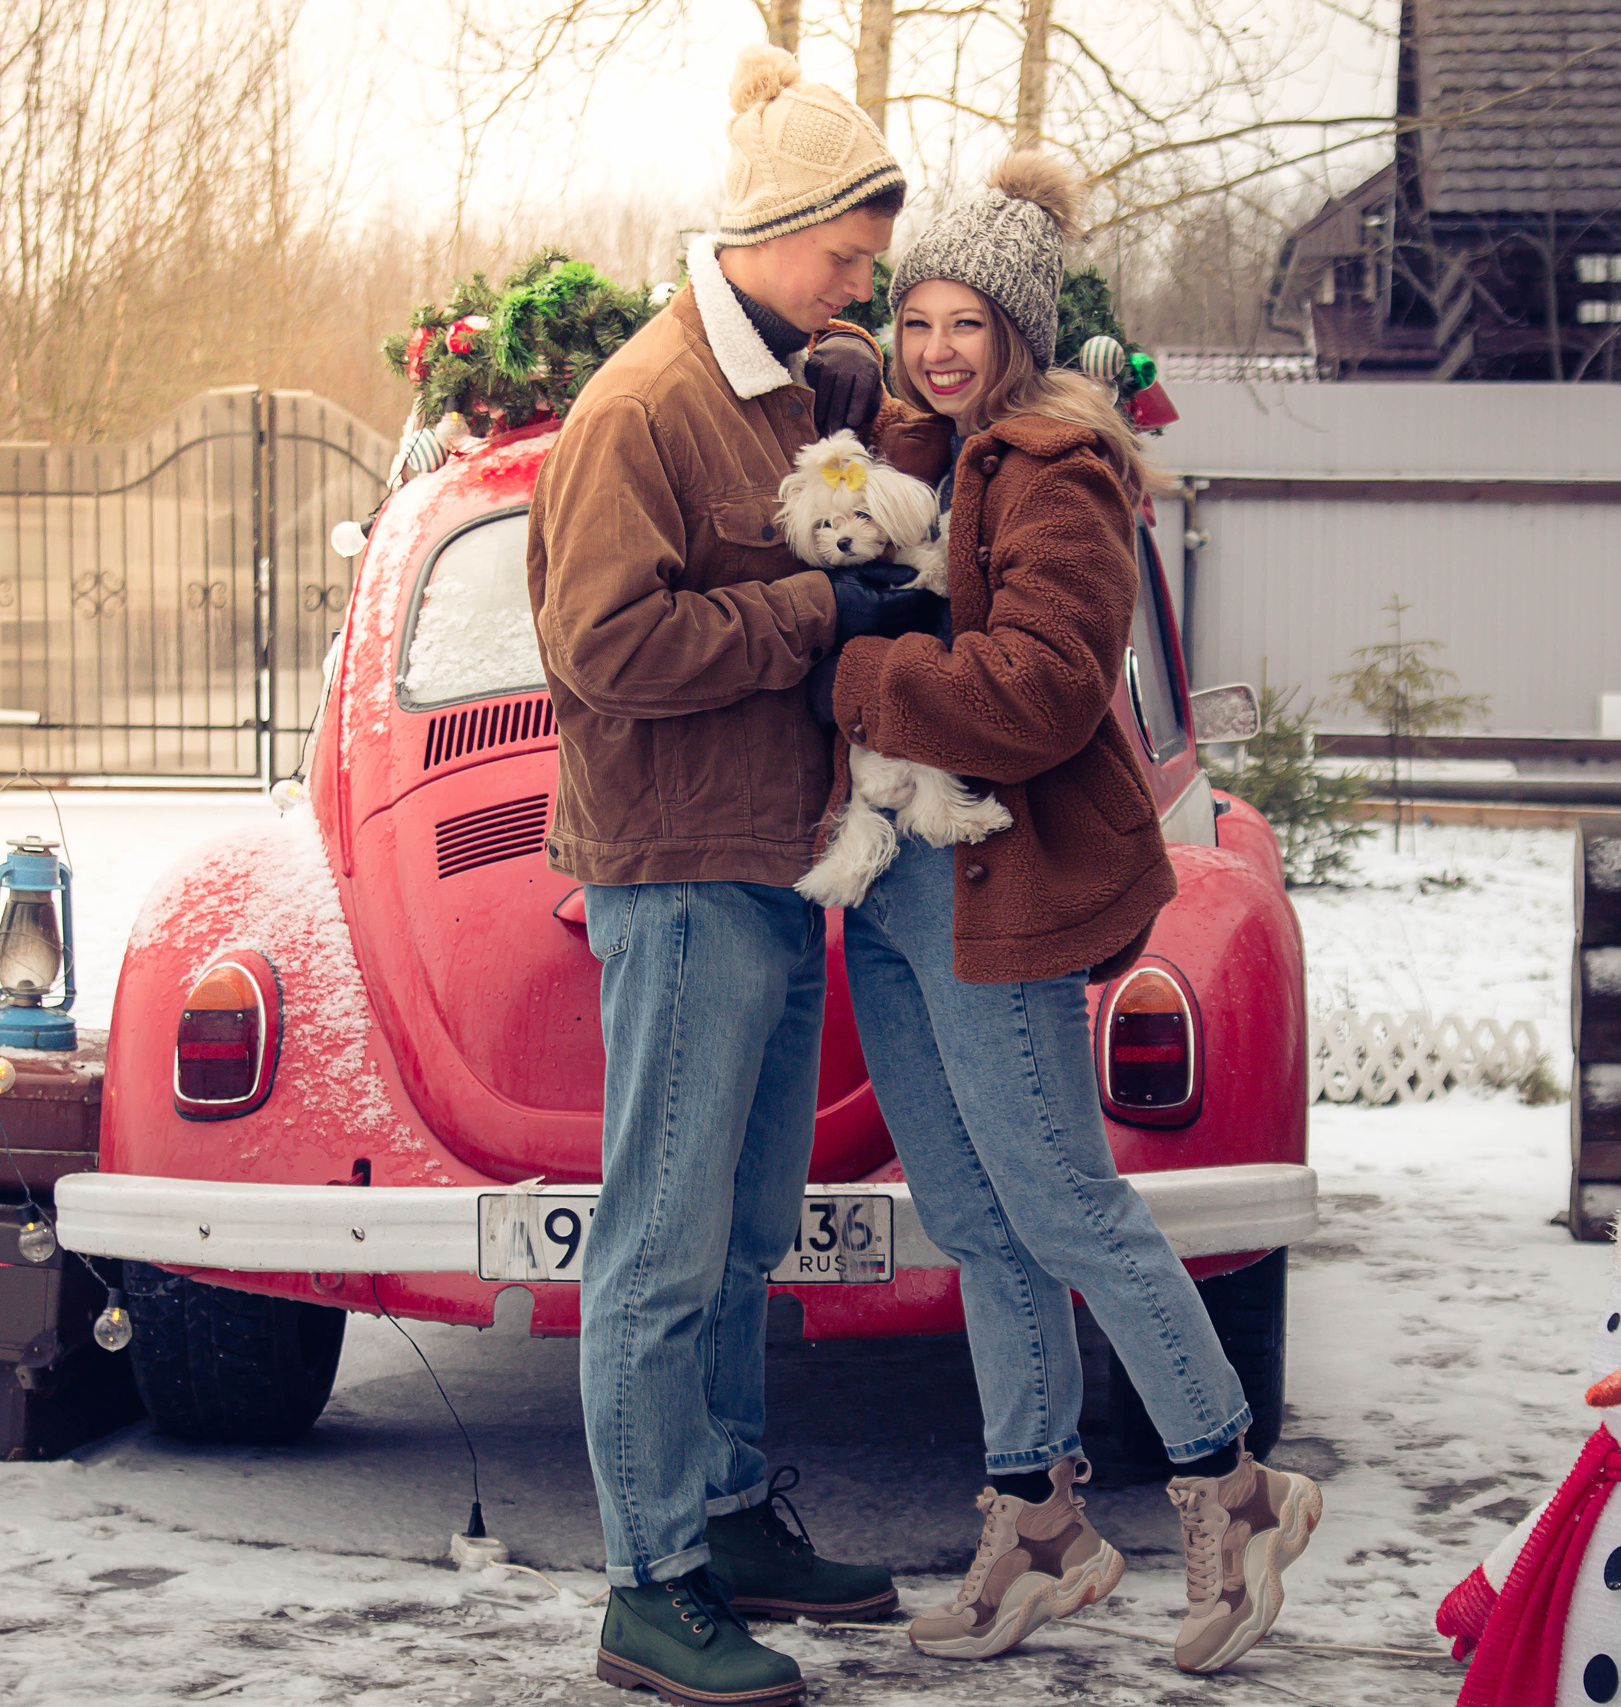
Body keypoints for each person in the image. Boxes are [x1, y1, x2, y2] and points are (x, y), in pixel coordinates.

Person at [807, 153, 1325, 1676]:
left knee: (1064, 1202)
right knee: (973, 1221)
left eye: (969, 322)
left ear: (1020, 335)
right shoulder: (932, 449)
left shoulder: (1055, 468)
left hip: (1000, 881)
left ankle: (1236, 1480)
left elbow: (1037, 695)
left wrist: (853, 677)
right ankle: (1036, 1518)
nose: (939, 348)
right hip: (900, 894)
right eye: (919, 319)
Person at [524, 43, 946, 1707]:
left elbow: (863, 441)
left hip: (773, 859)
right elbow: (601, 647)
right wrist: (815, 619)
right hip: (680, 866)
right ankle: (649, 1594)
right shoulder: (641, 406)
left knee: (745, 1226)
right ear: (770, 234)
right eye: (848, 253)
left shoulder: (787, 377)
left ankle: (725, 1518)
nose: (865, 281)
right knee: (660, 1235)